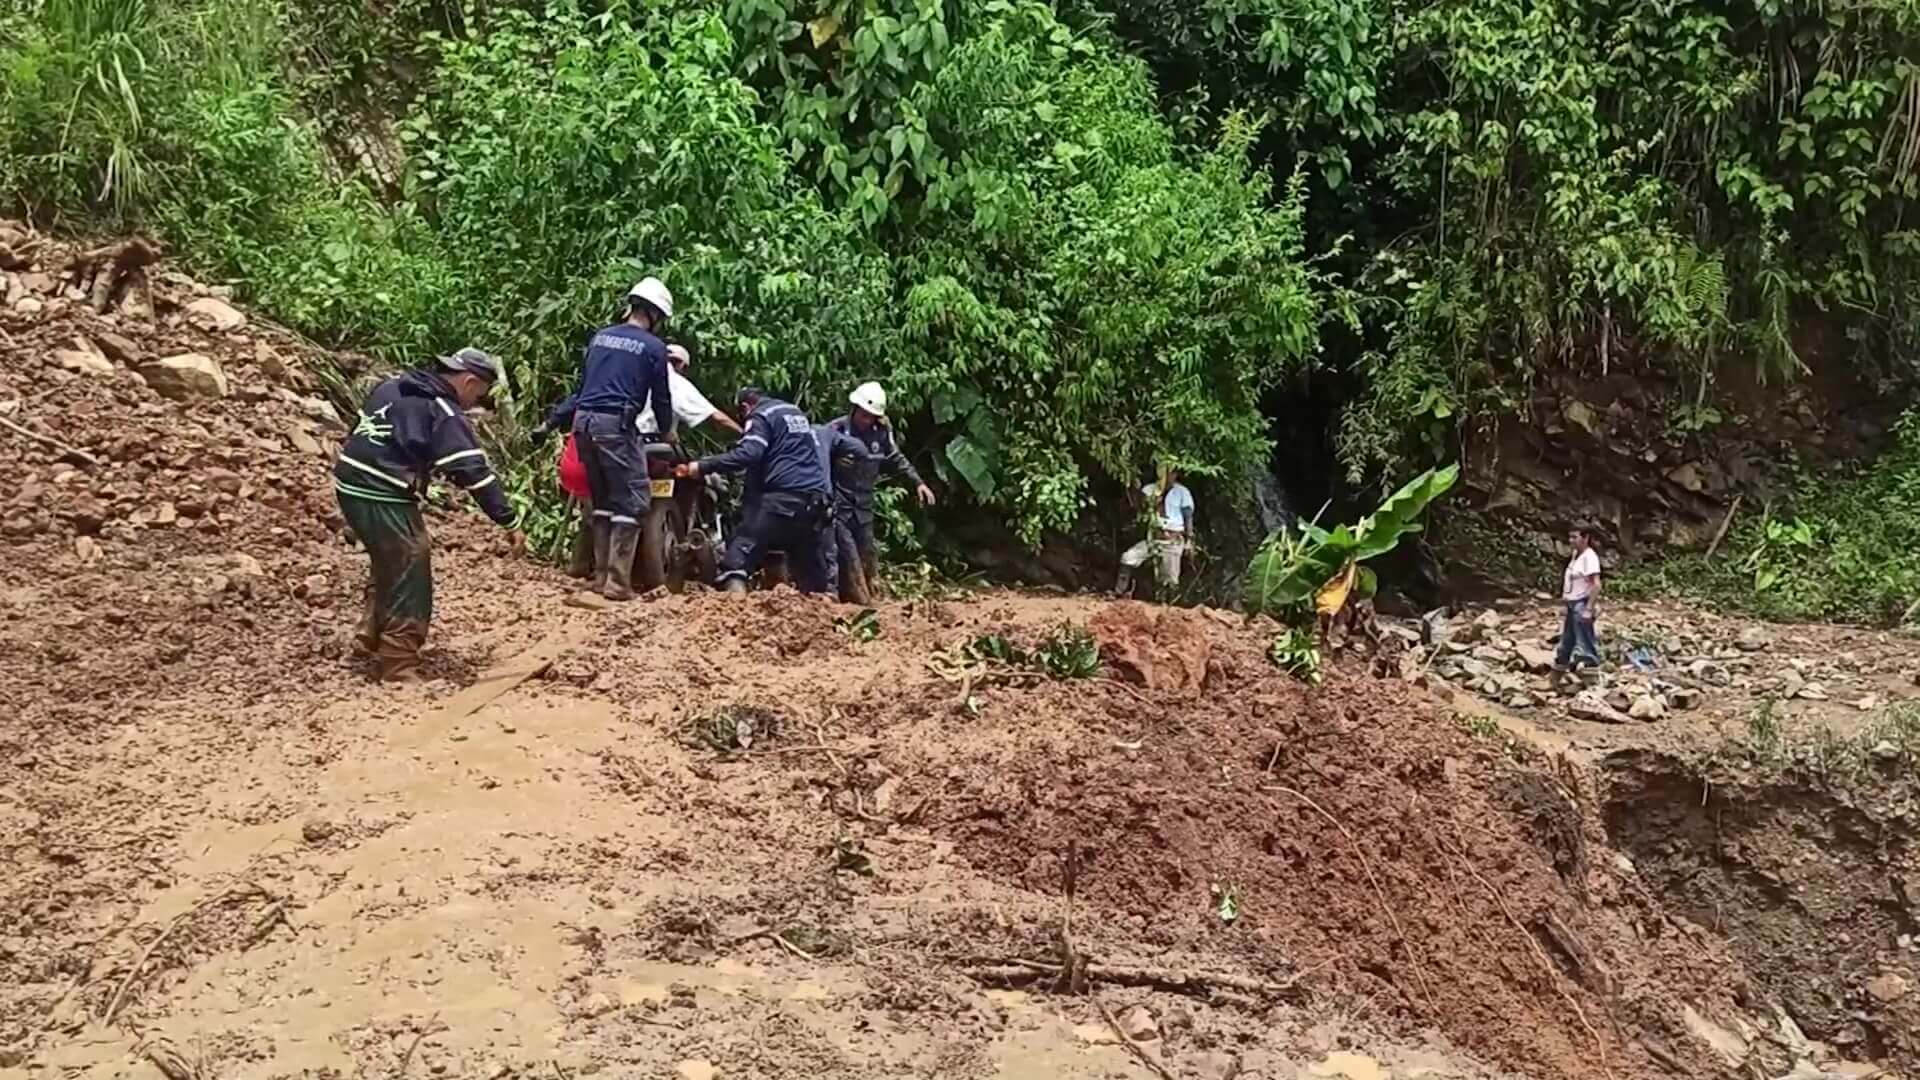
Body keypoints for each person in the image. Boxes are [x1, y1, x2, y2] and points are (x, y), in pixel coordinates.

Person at [333, 347, 518, 681]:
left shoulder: (393, 385)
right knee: (411, 562)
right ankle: (398, 660)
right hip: (381, 488)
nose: (475, 402)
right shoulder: (442, 409)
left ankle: (369, 629)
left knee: (388, 556)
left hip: (349, 478)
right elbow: (472, 470)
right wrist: (507, 519)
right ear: (469, 381)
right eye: (478, 394)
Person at [540, 342, 740, 579]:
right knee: (694, 478)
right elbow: (714, 416)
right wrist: (745, 435)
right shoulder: (675, 381)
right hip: (653, 448)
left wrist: (547, 425)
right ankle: (624, 573)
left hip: (608, 442)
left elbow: (578, 399)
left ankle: (584, 566)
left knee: (598, 502)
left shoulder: (624, 373)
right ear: (681, 366)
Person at [561, 278, 678, 601]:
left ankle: (599, 579)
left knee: (603, 501)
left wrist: (552, 420)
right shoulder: (653, 347)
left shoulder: (600, 337)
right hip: (616, 426)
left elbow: (581, 390)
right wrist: (667, 430)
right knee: (635, 499)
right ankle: (616, 583)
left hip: (583, 422)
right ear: (655, 314)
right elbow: (662, 398)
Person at [675, 388, 834, 594]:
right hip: (814, 500)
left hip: (781, 497)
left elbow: (749, 453)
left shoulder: (760, 416)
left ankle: (734, 608)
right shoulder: (794, 412)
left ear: (745, 407)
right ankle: (821, 611)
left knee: (738, 556)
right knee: (810, 568)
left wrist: (703, 466)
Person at [825, 381, 935, 604]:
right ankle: (845, 598)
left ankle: (869, 594)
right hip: (840, 504)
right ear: (854, 409)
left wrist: (918, 482)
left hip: (864, 505)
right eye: (863, 415)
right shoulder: (835, 431)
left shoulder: (882, 432)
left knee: (867, 552)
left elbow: (896, 458)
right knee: (846, 553)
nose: (866, 420)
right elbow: (817, 460)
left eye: (871, 416)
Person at [1116, 465, 1194, 596]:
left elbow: (1188, 516)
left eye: (1172, 473)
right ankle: (1119, 591)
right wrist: (1149, 502)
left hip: (1172, 539)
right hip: (1153, 537)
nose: (1169, 477)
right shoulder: (1149, 490)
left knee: (1170, 579)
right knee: (1128, 558)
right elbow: (1140, 510)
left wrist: (1189, 540)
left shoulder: (1182, 492)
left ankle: (1166, 605)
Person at [1554, 525, 1603, 673]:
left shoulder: (1590, 557)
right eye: (1570, 537)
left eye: (1575, 537)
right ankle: (1562, 662)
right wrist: (1564, 602)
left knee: (1584, 637)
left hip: (1581, 602)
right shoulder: (1576, 555)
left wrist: (1589, 608)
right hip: (1571, 602)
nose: (1571, 541)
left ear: (1585, 538)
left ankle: (1591, 666)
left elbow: (1596, 585)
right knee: (1568, 636)